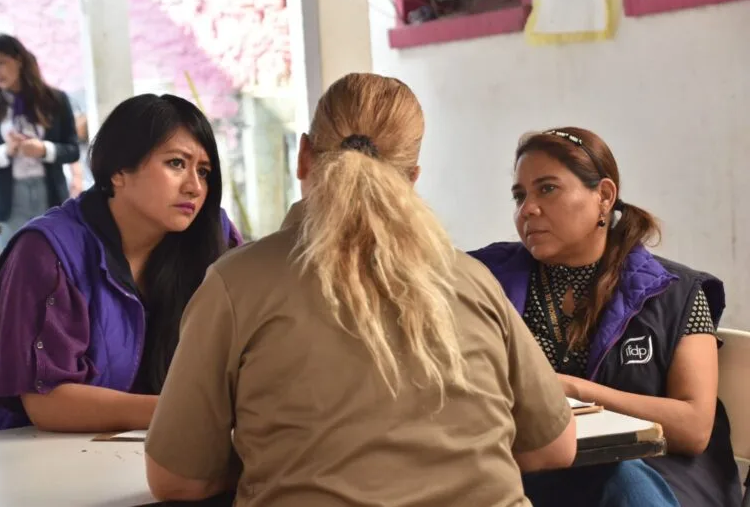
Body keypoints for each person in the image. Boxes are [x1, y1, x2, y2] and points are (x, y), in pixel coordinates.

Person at [143, 73, 577, 506]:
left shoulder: (236, 283)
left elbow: (176, 480)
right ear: (412, 177)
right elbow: (553, 448)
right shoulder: (473, 279)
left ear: (304, 157)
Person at [469, 127, 741, 507]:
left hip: (653, 479)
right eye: (520, 195)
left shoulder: (676, 292)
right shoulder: (485, 279)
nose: (527, 208)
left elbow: (694, 427)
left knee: (621, 479)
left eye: (547, 188)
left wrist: (575, 391)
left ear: (604, 196)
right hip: (529, 472)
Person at [0, 93, 241, 434]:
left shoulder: (211, 236)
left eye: (203, 171)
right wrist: (186, 410)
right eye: (176, 163)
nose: (194, 186)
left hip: (154, 449)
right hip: (39, 463)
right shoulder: (47, 252)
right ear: (118, 171)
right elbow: (47, 401)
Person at [0, 34, 79, 251]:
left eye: (1, 63)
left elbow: (73, 150)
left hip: (49, 194)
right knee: (14, 268)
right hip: (7, 199)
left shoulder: (55, 99)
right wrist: (5, 151)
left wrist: (44, 149)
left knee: (54, 262)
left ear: (18, 59)